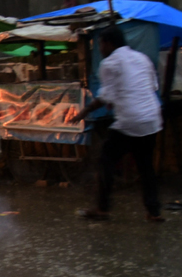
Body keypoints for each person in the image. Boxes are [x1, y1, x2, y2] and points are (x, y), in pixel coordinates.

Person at [69, 28, 164, 222]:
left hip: (130, 120)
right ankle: (154, 211)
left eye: (101, 44)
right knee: (146, 166)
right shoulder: (142, 58)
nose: (100, 49)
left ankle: (102, 208)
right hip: (152, 119)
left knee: (106, 160)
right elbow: (150, 86)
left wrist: (84, 112)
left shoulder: (109, 63)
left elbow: (105, 97)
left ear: (109, 43)